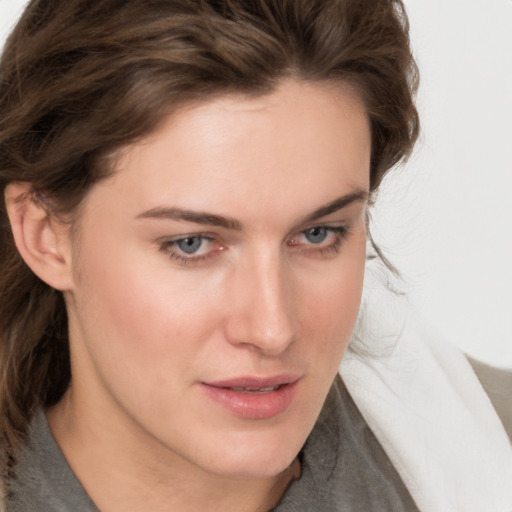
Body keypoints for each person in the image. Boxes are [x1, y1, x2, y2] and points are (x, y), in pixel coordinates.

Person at [0, 0, 510, 511]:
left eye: (318, 234)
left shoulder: (493, 443)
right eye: (192, 244)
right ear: (46, 234)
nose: (273, 329)